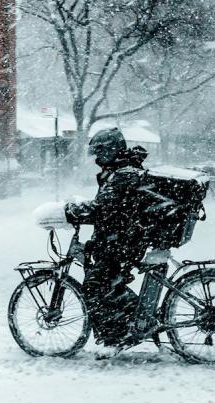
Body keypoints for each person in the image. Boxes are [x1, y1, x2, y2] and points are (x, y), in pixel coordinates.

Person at [63, 128, 154, 349]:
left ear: (110, 150)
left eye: (99, 152)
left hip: (122, 241)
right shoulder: (122, 170)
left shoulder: (123, 174)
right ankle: (130, 325)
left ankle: (118, 336)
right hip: (121, 238)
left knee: (95, 284)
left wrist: (74, 211)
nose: (96, 158)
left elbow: (104, 208)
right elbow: (109, 207)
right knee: (108, 282)